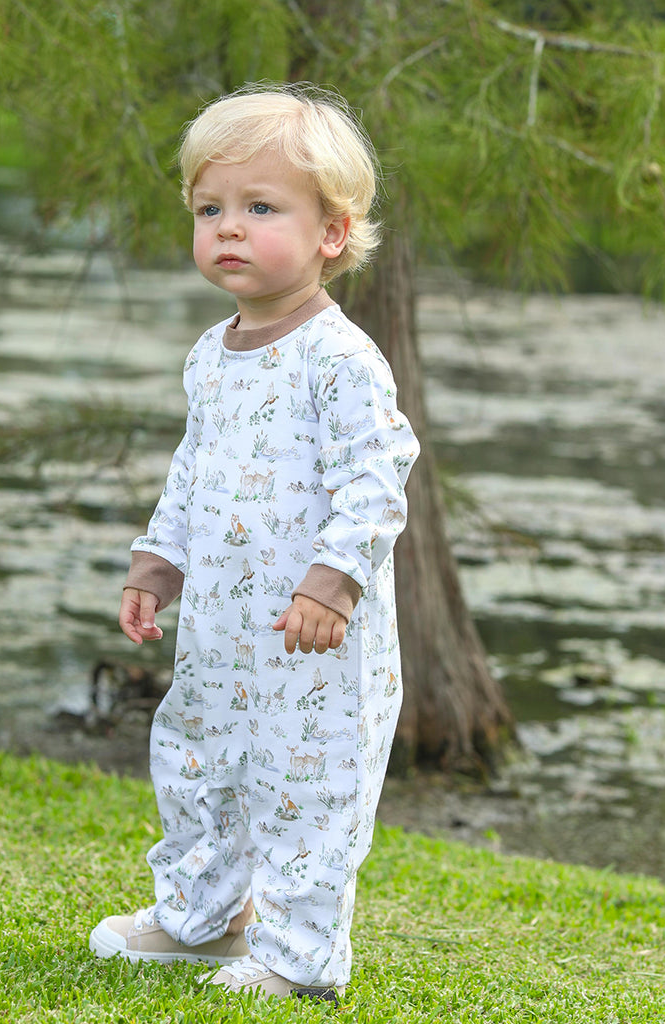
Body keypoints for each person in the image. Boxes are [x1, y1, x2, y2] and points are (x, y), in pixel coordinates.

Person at [89, 82, 419, 1003]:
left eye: (261, 208)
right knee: (200, 761)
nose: (229, 227)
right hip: (224, 630)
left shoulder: (339, 358)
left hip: (315, 640)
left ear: (332, 233)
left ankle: (299, 958)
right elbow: (194, 471)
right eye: (210, 209)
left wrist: (333, 580)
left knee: (305, 788)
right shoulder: (212, 353)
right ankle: (202, 919)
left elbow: (378, 475)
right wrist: (158, 562)